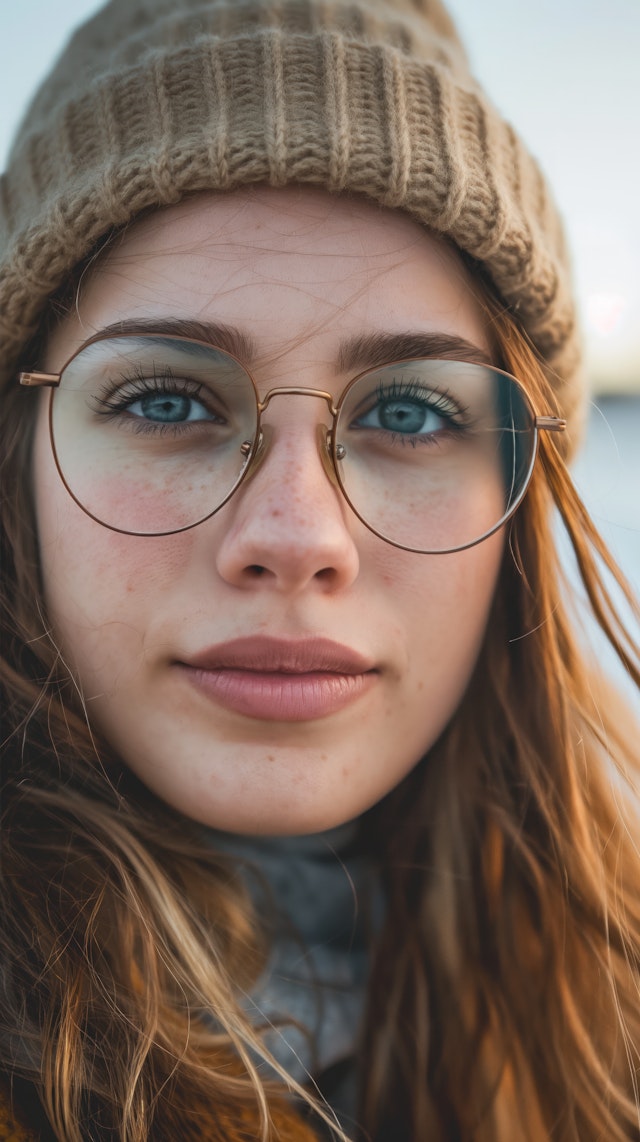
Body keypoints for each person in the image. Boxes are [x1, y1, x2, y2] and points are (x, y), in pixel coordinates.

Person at [0, 0, 638, 1138]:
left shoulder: (609, 1015)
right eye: (165, 398)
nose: (299, 536)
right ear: (19, 464)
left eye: (406, 410)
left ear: (516, 505)